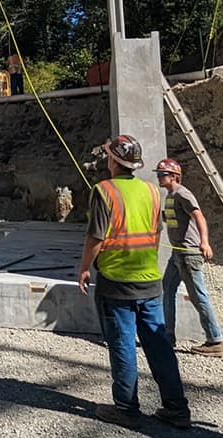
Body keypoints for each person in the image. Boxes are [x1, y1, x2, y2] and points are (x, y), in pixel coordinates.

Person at [77, 135, 192, 429]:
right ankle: (176, 408)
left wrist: (84, 268)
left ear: (114, 160)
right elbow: (155, 233)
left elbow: (96, 237)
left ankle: (127, 409)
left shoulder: (104, 191)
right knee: (159, 346)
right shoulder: (153, 192)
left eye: (108, 156)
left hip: (117, 282)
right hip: (150, 281)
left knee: (123, 345)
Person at [156, 158, 223, 356]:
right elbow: (172, 218)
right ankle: (167, 335)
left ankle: (215, 340)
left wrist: (204, 242)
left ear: (174, 176)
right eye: (159, 174)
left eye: (162, 174)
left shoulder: (183, 194)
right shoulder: (170, 196)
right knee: (167, 288)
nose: (159, 177)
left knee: (198, 296)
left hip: (189, 253)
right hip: (177, 252)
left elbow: (199, 216)